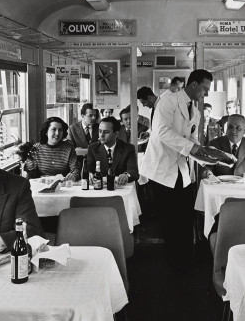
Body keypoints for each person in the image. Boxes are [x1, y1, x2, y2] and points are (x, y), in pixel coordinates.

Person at [140, 69, 212, 265]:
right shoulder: (168, 101)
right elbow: (162, 132)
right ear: (194, 84)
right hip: (162, 170)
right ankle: (174, 266)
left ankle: (185, 261)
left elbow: (192, 137)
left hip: (182, 170)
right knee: (170, 222)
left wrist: (203, 153)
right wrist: (192, 147)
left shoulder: (195, 111)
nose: (205, 94)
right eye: (204, 89)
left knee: (185, 218)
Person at [87, 117, 139, 185]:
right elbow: (88, 169)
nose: (101, 135)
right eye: (100, 131)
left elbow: (133, 172)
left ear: (116, 134)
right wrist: (89, 174)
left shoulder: (128, 148)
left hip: (120, 188)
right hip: (100, 188)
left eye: (106, 132)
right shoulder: (93, 148)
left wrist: (126, 175)